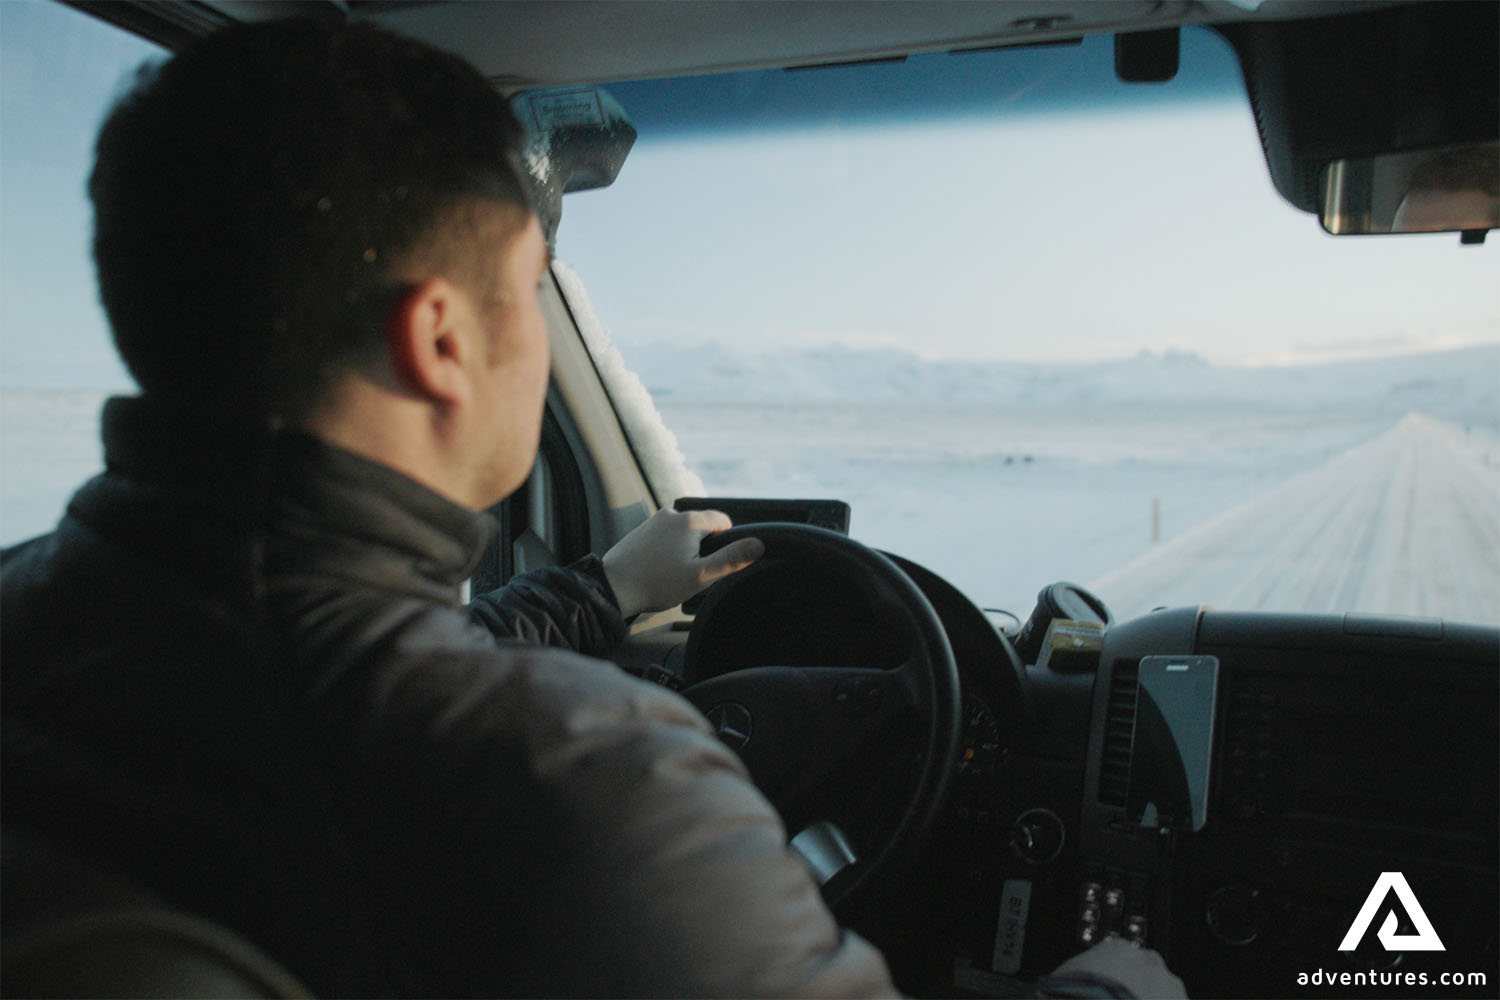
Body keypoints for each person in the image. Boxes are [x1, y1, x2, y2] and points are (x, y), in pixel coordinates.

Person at [1, 17, 1182, 1000]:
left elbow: (344, 646)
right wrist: (1117, 989)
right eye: (528, 289)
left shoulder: (49, 612)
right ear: (444, 339)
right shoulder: (587, 791)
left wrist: (610, 589)